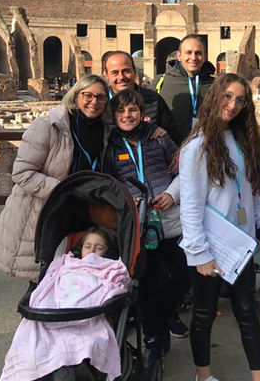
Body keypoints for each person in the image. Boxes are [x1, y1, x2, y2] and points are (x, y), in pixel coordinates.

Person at [179, 73, 260, 381]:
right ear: (215, 97)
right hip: (211, 246)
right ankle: (203, 375)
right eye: (227, 96)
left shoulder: (243, 140)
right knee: (205, 314)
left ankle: (258, 377)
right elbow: (191, 206)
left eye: (239, 100)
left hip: (242, 242)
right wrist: (199, 253)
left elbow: (252, 190)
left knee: (248, 312)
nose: (232, 105)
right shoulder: (197, 147)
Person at [102, 89, 191, 372]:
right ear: (114, 116)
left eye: (133, 111)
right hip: (138, 224)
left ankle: (164, 316)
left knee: (185, 272)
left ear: (142, 113)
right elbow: (110, 183)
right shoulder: (111, 146)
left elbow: (180, 170)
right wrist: (127, 200)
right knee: (149, 283)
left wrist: (172, 194)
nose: (127, 116)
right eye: (121, 112)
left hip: (168, 218)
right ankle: (155, 338)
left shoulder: (159, 137)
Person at [0, 75, 109, 282]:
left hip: (82, 212)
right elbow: (22, 173)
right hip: (46, 212)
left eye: (100, 97)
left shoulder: (105, 130)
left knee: (75, 278)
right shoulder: (48, 126)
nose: (94, 102)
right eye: (88, 95)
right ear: (76, 96)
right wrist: (63, 188)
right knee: (42, 280)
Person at [0, 227, 129, 381]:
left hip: (86, 319)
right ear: (80, 249)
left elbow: (114, 288)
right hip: (53, 315)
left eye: (99, 248)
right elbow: (48, 286)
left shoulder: (110, 269)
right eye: (87, 246)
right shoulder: (66, 265)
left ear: (108, 253)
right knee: (30, 352)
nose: (92, 252)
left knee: (74, 346)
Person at [102, 50, 178, 142]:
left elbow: (172, 136)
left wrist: (164, 135)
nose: (121, 77)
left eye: (126, 71)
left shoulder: (154, 99)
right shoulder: (101, 102)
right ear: (106, 76)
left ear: (134, 72)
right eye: (115, 73)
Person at [156, 35, 216, 145]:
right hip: (170, 153)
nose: (193, 58)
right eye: (188, 52)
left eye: (198, 53)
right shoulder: (160, 82)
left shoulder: (216, 85)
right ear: (179, 55)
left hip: (205, 151)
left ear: (205, 56)